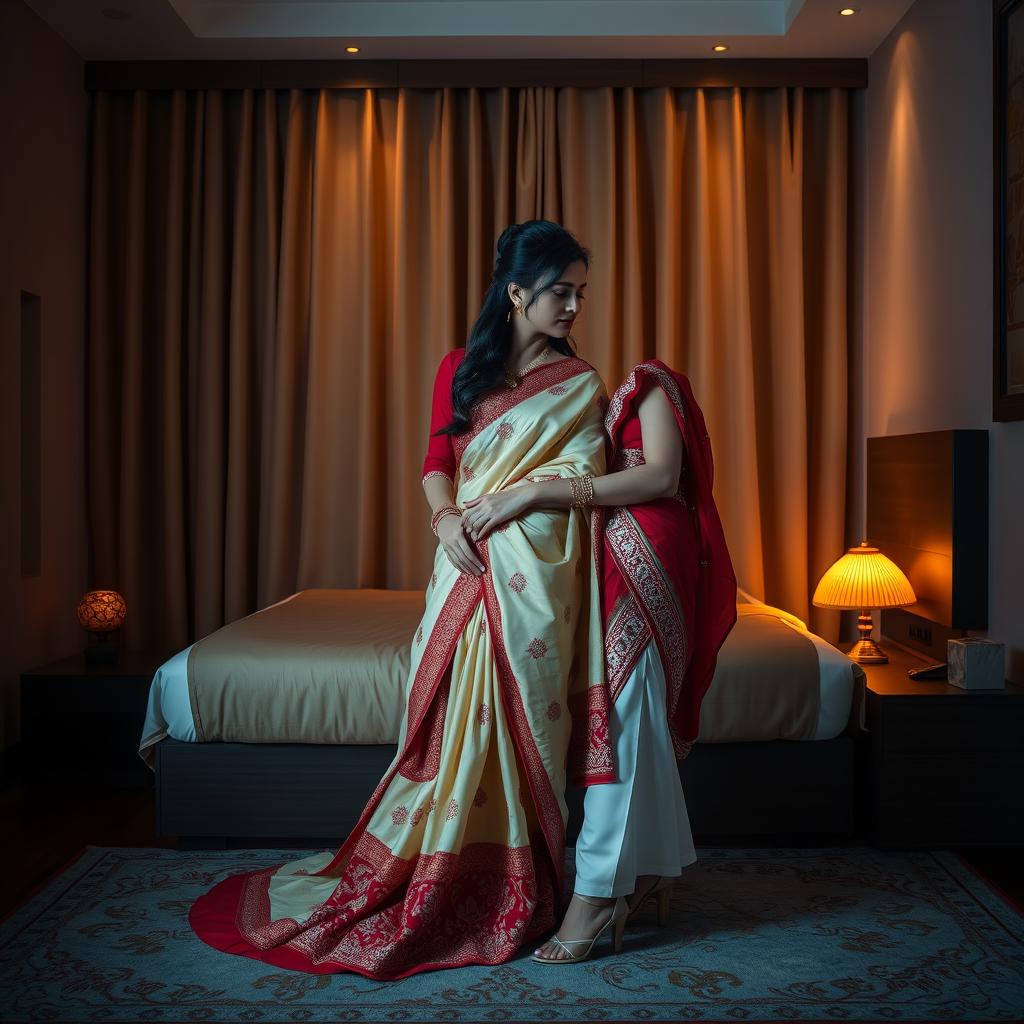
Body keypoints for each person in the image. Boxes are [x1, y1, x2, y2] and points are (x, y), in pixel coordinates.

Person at [188, 220, 622, 979]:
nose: (574, 307)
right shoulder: (461, 366)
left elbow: (583, 476)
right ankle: (434, 866)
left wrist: (513, 505)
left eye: (581, 293)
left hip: (537, 577)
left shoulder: (581, 382)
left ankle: (521, 882)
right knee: (449, 712)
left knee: (523, 712)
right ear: (517, 292)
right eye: (561, 291)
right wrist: (446, 516)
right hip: (462, 560)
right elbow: (435, 461)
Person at [461, 358, 738, 963]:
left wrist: (533, 492)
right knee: (629, 722)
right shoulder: (590, 423)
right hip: (608, 555)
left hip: (646, 554)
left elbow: (663, 477)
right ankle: (652, 871)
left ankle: (593, 894)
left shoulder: (648, 381)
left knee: (621, 719)